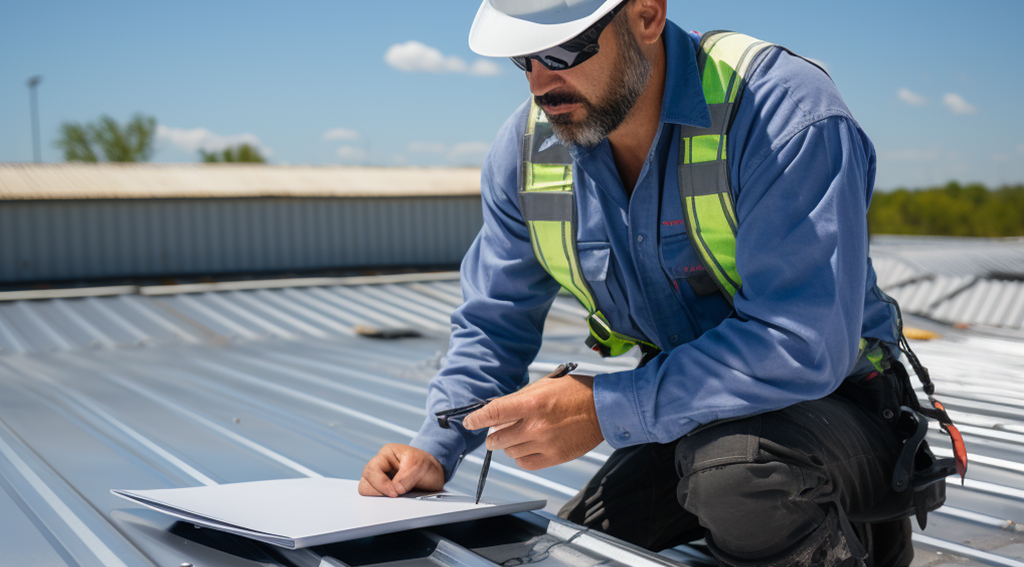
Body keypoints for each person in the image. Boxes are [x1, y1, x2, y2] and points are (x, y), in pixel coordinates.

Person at [360, 1, 952, 565]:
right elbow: (494, 324)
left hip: (838, 409)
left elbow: (803, 342)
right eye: (525, 59)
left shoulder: (780, 111)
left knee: (734, 475)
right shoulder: (526, 156)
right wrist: (433, 450)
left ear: (646, 14)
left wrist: (604, 406)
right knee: (575, 552)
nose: (541, 85)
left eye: (563, 51)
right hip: (691, 417)